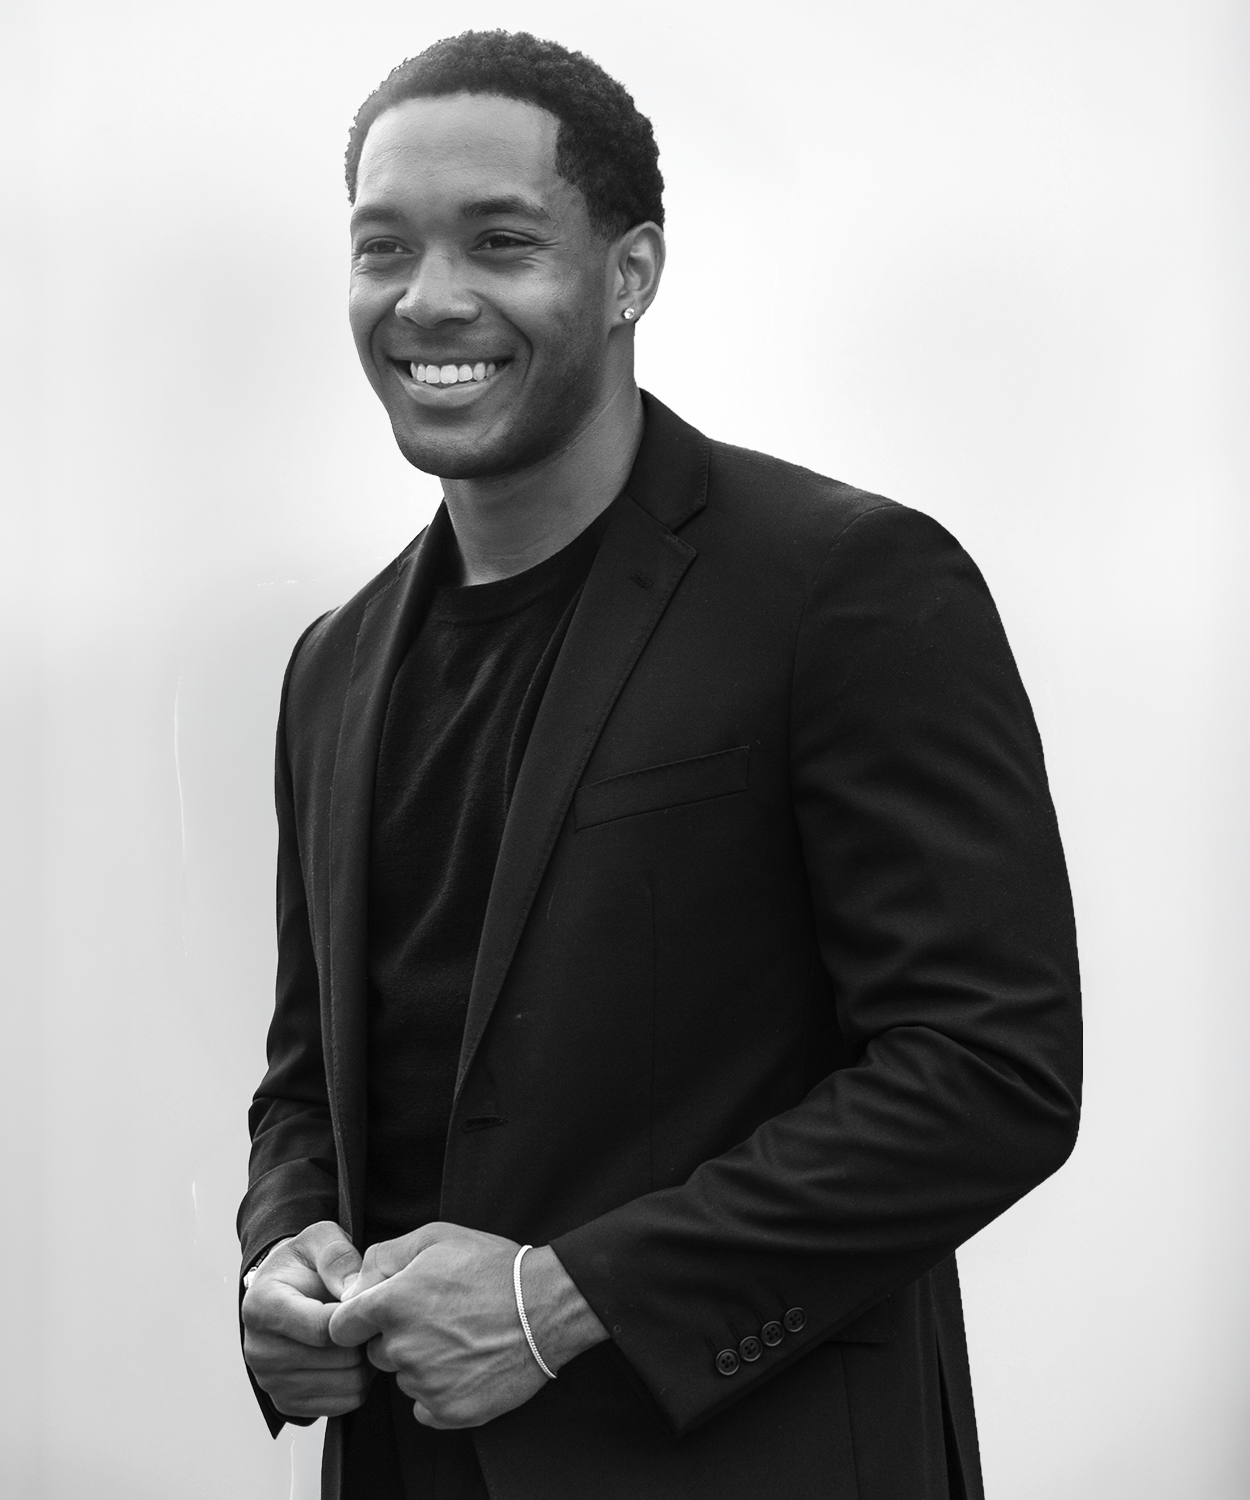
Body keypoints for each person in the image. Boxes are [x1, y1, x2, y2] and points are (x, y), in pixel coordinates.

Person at [237, 29, 1081, 1500]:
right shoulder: (333, 665)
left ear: (629, 273)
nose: (429, 298)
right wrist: (282, 1251)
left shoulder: (845, 585)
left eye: (501, 241)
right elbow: (310, 1080)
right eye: (384, 248)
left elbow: (986, 1072)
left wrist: (563, 1300)